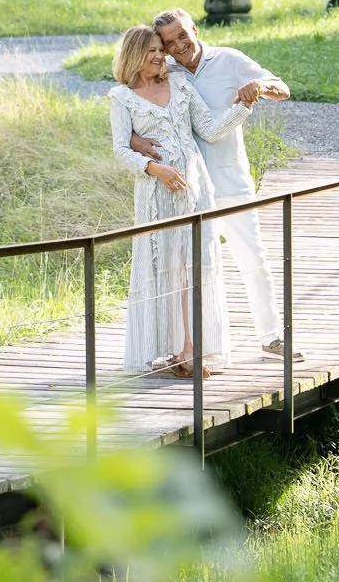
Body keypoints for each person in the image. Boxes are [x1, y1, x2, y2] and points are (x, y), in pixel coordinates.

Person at [131, 8, 304, 362]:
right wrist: (133, 140)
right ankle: (188, 349)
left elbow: (283, 89)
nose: (180, 45)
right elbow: (133, 99)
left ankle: (272, 337)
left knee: (252, 258)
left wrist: (259, 87)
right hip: (186, 189)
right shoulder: (168, 73)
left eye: (183, 35)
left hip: (230, 179)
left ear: (194, 29)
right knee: (190, 270)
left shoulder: (229, 60)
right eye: (170, 42)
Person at [107, 24, 252, 378]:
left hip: (195, 189)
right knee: (166, 268)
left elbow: (210, 129)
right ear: (133, 56)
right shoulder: (122, 97)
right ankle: (171, 350)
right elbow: (121, 150)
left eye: (161, 49)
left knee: (196, 266)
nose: (159, 56)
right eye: (151, 51)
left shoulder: (181, 85)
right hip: (157, 196)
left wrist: (243, 105)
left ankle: (192, 349)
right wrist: (156, 169)